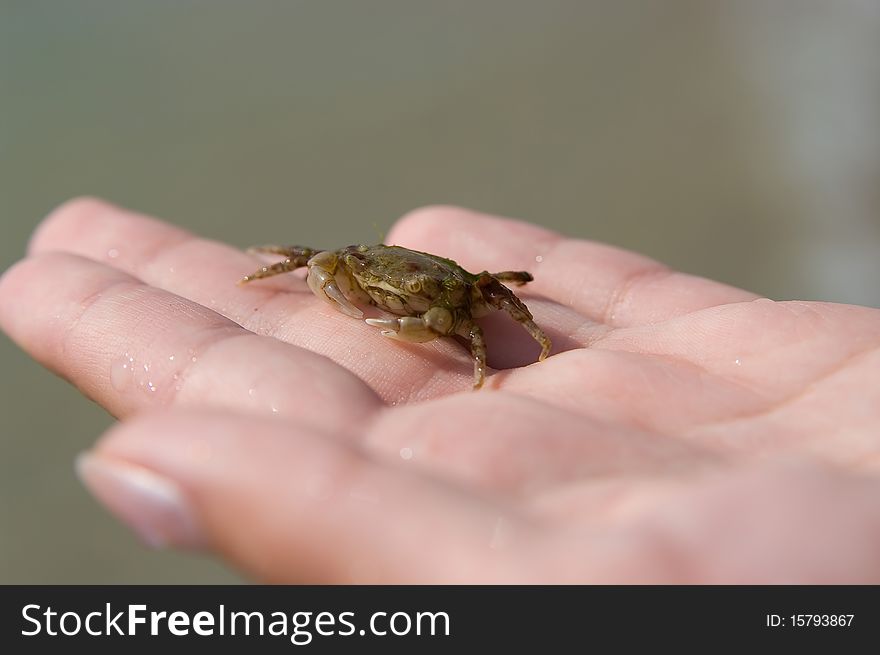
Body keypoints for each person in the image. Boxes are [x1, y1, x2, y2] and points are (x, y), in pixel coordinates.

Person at [1, 198, 878, 583]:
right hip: (403, 265)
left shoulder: (456, 293)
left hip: (450, 282)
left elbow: (497, 301)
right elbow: (336, 265)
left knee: (474, 306)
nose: (377, 304)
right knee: (331, 262)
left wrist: (501, 355)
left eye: (387, 298)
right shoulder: (356, 267)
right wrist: (308, 270)